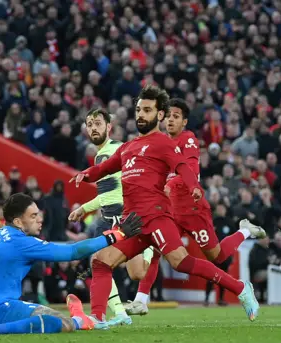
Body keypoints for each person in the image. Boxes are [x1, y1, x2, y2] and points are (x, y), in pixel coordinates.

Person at [71, 86, 259, 323]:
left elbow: (182, 167)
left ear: (159, 115)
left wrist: (194, 187)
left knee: (181, 262)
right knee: (101, 261)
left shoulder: (163, 143)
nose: (141, 114)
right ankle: (97, 319)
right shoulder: (127, 148)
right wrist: (86, 174)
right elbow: (104, 169)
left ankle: (241, 289)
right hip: (132, 224)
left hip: (157, 218)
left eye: (147, 110)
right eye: (139, 109)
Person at [0, 193, 143, 335]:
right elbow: (73, 251)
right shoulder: (22, 243)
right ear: (18, 222)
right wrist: (117, 235)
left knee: (51, 314)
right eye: (34, 216)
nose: (40, 219)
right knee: (62, 324)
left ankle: (79, 317)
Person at [125, 98, 266, 315]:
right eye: (168, 116)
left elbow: (189, 169)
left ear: (184, 122)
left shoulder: (187, 139)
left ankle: (245, 230)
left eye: (176, 116)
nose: (171, 120)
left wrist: (169, 184)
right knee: (155, 250)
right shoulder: (159, 142)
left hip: (192, 209)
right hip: (169, 211)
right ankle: (141, 300)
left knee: (217, 257)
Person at [67, 108, 131, 326]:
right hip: (123, 214)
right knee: (106, 265)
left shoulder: (106, 154)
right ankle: (121, 311)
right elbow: (110, 192)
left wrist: (89, 210)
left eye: (98, 123)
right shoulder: (116, 150)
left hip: (114, 217)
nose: (93, 128)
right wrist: (84, 208)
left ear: (109, 127)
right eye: (89, 124)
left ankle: (102, 315)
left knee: (99, 263)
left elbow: (110, 196)